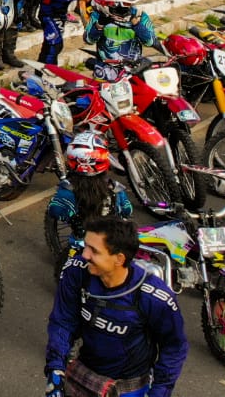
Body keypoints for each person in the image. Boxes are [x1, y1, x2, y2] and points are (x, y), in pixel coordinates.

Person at [45, 216, 187, 397]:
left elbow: (174, 347)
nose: (85, 255)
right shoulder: (77, 272)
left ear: (119, 259)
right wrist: (56, 368)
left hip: (129, 386)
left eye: (94, 251)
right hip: (85, 372)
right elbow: (63, 321)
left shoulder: (154, 296)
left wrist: (159, 392)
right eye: (86, 246)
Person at [47, 130, 133, 258]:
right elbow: (127, 210)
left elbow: (55, 211)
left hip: (81, 248)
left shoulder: (67, 190)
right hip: (111, 246)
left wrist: (71, 216)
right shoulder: (116, 188)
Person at [85, 0, 156, 71]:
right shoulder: (99, 14)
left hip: (133, 70)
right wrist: (99, 25)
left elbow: (150, 42)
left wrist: (135, 22)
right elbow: (89, 40)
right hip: (105, 69)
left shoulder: (140, 15)